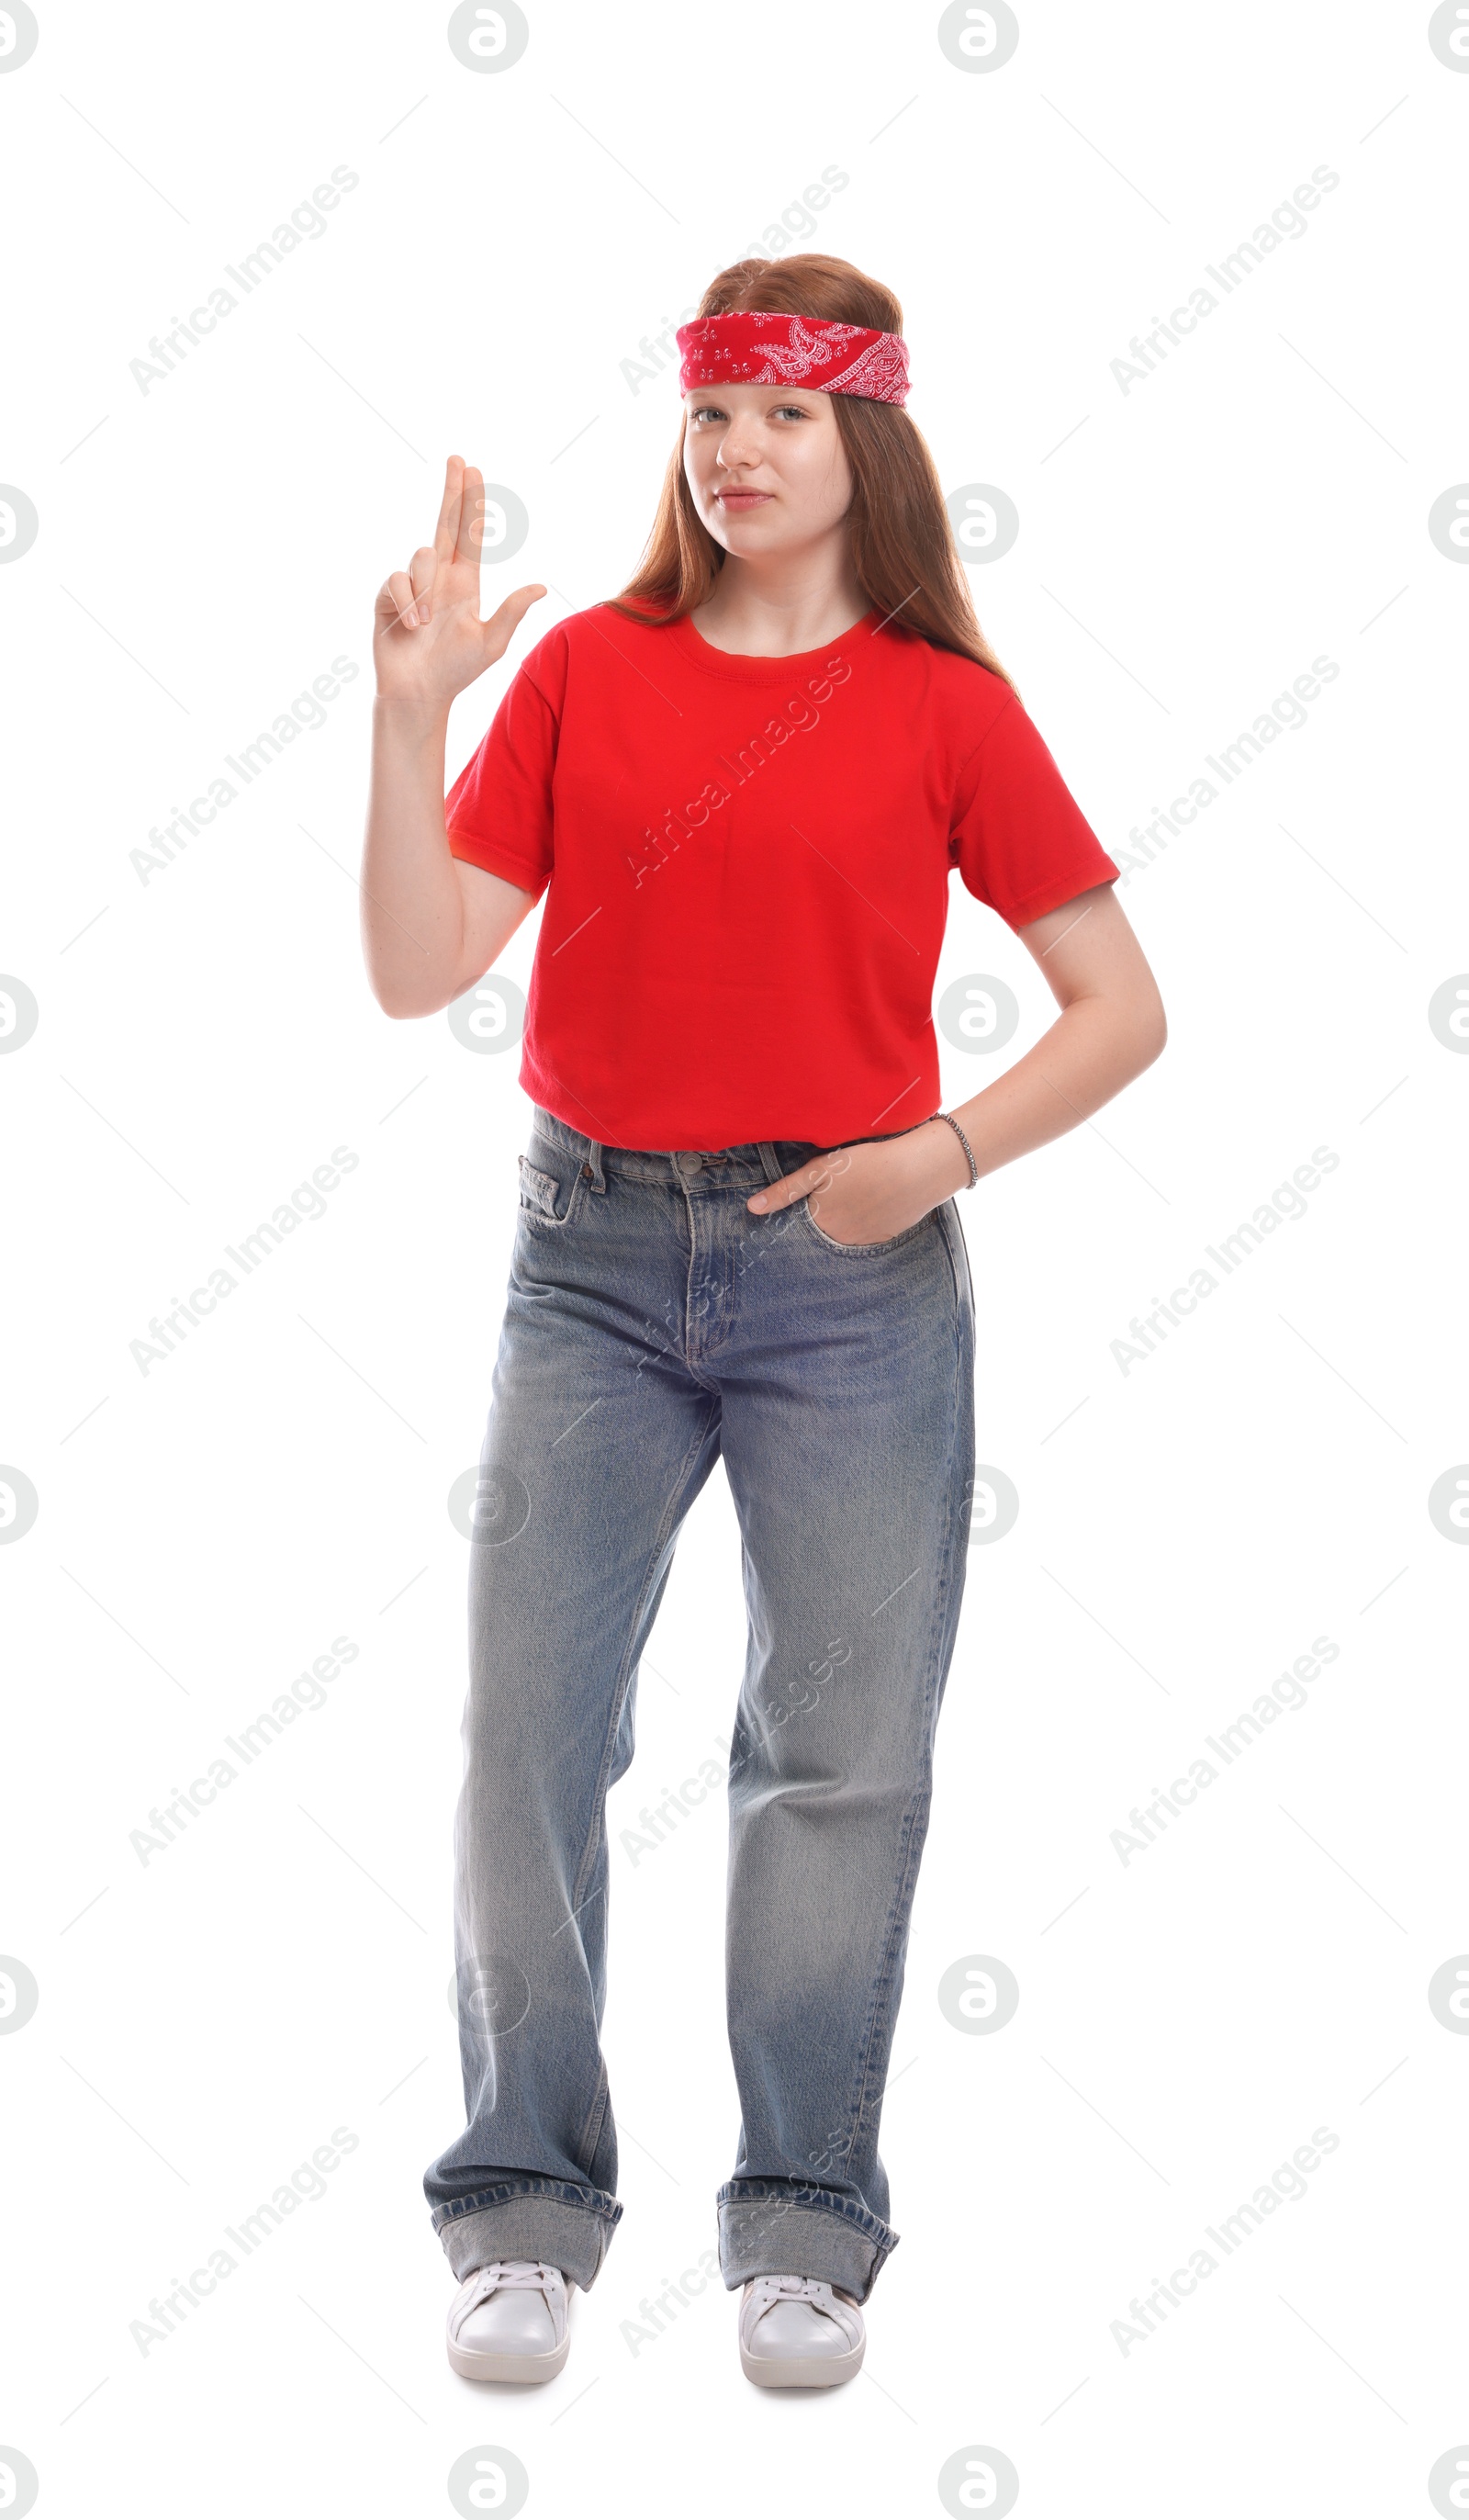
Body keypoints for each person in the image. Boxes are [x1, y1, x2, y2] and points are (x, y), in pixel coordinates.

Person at [360, 253, 1165, 2391]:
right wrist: (410, 707)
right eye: (709, 413)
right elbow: (414, 963)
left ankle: (802, 2224)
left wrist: (940, 1157)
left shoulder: (940, 704)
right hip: (589, 1265)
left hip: (851, 1281)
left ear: (866, 439)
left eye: (782, 416)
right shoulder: (590, 678)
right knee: (526, 1746)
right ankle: (518, 2208)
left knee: (834, 1761)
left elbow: (1119, 1007)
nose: (733, 451)